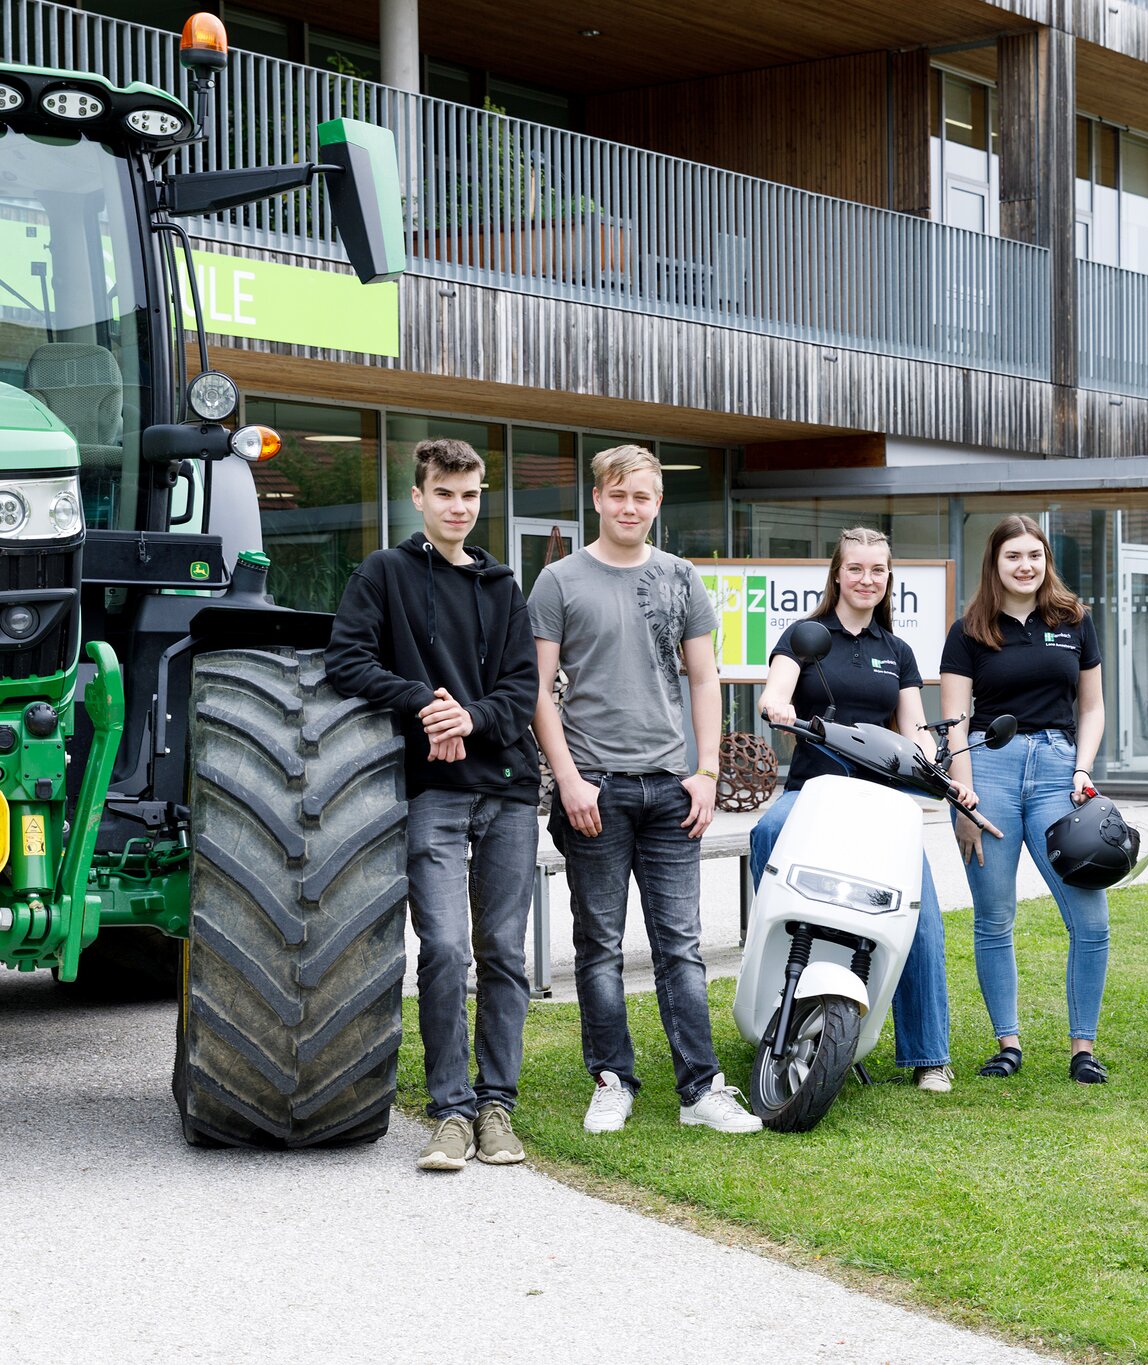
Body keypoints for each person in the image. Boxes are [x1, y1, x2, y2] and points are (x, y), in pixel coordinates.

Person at [528, 444, 761, 1135]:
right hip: (592, 788)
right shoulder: (559, 582)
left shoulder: (681, 577)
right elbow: (538, 691)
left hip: (669, 789)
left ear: (657, 503)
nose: (631, 508)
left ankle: (701, 1089)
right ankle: (612, 1079)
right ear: (597, 498)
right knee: (598, 946)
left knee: (680, 946)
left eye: (644, 497)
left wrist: (709, 771)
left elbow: (704, 679)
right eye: (619, 495)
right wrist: (567, 780)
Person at [325, 438, 540, 1172]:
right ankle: (449, 1110)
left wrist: (469, 720)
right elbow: (347, 660)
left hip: (507, 790)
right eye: (445, 493)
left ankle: (496, 1105)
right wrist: (425, 704)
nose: (459, 506)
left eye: (471, 494)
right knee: (445, 949)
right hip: (432, 793)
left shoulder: (505, 586)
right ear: (418, 497)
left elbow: (522, 689)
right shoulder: (385, 573)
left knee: (503, 952)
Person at [752, 528, 976, 1093]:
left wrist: (938, 768)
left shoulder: (895, 652)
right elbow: (776, 690)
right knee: (764, 833)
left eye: (878, 571)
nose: (867, 580)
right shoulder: (805, 637)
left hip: (882, 801)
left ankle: (928, 1053)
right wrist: (776, 706)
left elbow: (916, 728)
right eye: (856, 569)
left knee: (919, 909)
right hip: (814, 792)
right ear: (837, 574)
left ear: (888, 578)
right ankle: (781, 999)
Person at [940, 514, 1111, 1085]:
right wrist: (963, 799)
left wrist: (1082, 769)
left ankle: (1083, 1047)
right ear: (995, 563)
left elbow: (1092, 706)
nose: (1025, 566)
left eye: (1035, 555)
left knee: (1091, 918)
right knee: (993, 916)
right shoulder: (968, 630)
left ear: (1046, 561)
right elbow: (955, 725)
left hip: (1060, 772)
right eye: (1013, 556)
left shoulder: (1075, 620)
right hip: (986, 771)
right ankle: (1007, 1042)